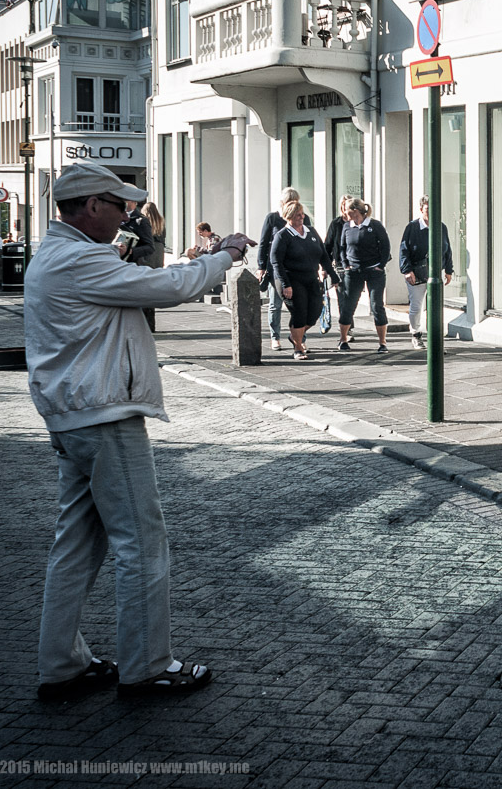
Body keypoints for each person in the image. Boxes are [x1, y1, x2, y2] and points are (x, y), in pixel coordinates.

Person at [24, 161, 254, 700]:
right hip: (103, 413)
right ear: (91, 207)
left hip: (73, 414)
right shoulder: (79, 260)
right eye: (119, 204)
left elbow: (137, 278)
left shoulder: (57, 254)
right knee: (141, 542)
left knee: (77, 543)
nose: (129, 213)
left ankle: (62, 664)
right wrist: (225, 256)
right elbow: (167, 287)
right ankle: (148, 666)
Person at [270, 199, 339, 360]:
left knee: (314, 312)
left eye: (302, 214)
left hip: (311, 278)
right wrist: (286, 285)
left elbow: (323, 255)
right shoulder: (282, 236)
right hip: (291, 279)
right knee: (299, 312)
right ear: (289, 217)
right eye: (297, 215)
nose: (301, 217)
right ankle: (298, 348)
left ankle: (296, 336)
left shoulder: (311, 232)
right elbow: (276, 262)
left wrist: (333, 275)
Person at [335, 197, 391, 353]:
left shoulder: (374, 225)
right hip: (353, 272)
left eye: (347, 210)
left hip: (374, 271)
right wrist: (345, 265)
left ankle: (382, 342)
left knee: (376, 305)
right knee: (348, 305)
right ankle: (343, 339)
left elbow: (386, 246)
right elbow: (342, 247)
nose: (344, 213)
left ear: (355, 211)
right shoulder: (347, 226)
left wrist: (381, 265)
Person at [397, 195, 452, 349]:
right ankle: (416, 334)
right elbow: (404, 250)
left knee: (435, 307)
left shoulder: (441, 227)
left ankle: (435, 339)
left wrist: (448, 270)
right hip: (417, 272)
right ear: (421, 210)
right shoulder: (412, 227)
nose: (430, 213)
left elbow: (447, 249)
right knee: (417, 305)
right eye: (427, 209)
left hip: (435, 273)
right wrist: (407, 270)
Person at [257, 187, 302, 350]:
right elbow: (263, 242)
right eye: (288, 202)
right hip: (275, 267)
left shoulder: (302, 218)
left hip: (296, 268)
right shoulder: (273, 218)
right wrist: (261, 266)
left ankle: (299, 338)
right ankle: (275, 336)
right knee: (275, 304)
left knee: (298, 305)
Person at [324, 194, 354, 339]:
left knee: (352, 297)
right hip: (340, 266)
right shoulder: (336, 224)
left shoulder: (357, 223)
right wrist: (324, 267)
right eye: (343, 206)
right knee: (343, 297)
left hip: (355, 265)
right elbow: (328, 246)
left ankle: (347, 326)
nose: (345, 209)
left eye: (347, 206)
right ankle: (347, 329)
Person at [138, 203, 168, 330]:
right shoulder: (161, 220)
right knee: (154, 285)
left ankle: (146, 322)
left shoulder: (144, 221)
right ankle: (151, 323)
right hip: (159, 251)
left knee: (144, 284)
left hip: (148, 252)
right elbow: (163, 237)